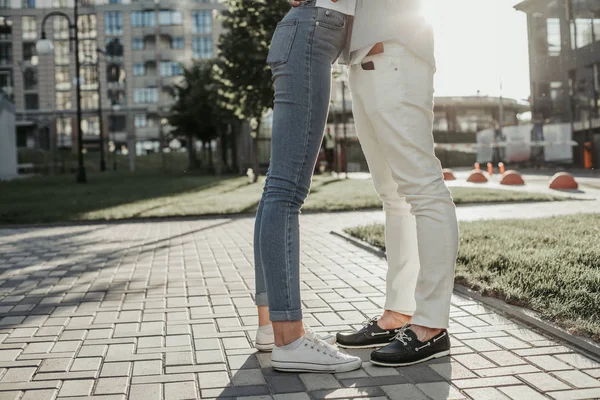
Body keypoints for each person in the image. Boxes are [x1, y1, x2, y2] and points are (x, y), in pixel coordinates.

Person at [333, 0, 460, 367]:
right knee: (393, 197)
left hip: (396, 56)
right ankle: (399, 314)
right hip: (365, 62)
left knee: (423, 189)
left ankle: (431, 326)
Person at [253, 0, 363, 373]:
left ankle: (271, 327)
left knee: (276, 190)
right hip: (312, 33)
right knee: (286, 192)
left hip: (305, 32)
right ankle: (291, 339)